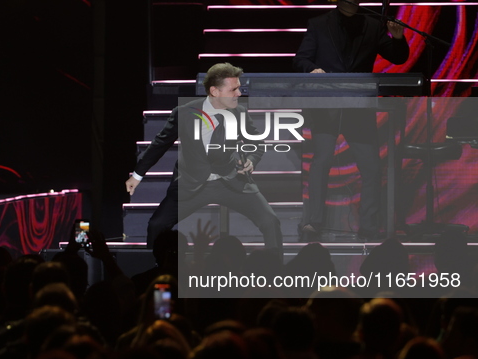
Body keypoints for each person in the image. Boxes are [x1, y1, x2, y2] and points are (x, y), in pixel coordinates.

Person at [125, 62, 283, 260]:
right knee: (157, 226)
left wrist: (251, 160)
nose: (239, 94)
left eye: (239, 88)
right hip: (191, 183)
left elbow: (257, 143)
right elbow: (159, 145)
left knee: (270, 221)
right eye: (233, 89)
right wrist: (137, 175)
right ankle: (156, 275)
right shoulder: (184, 113)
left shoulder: (239, 113)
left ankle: (276, 273)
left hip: (230, 181)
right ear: (215, 91)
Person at [293, 0, 409, 241]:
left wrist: (398, 38)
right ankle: (313, 222)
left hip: (359, 105)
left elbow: (398, 58)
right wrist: (313, 69)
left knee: (371, 168)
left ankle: (368, 226)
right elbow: (301, 59)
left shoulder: (372, 25)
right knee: (321, 162)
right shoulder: (318, 24)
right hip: (327, 104)